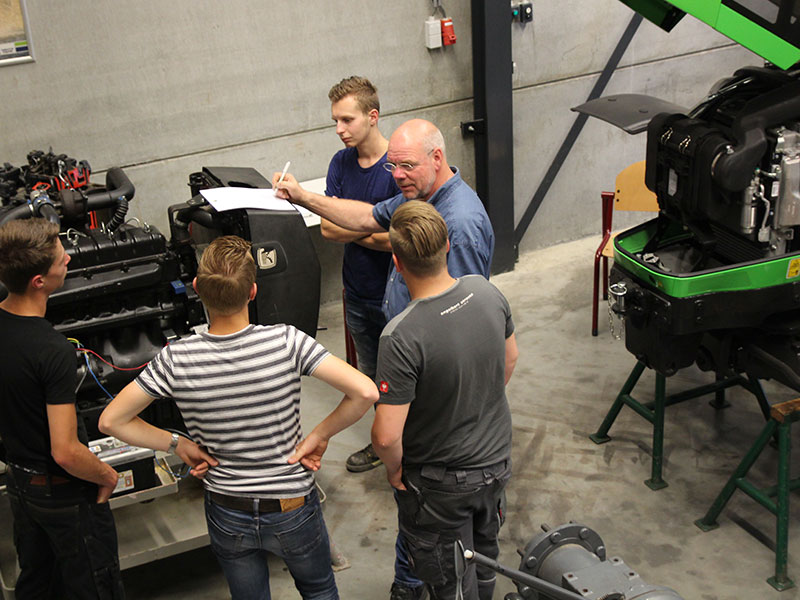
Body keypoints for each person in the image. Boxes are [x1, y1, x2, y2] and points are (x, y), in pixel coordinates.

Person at [274, 118, 495, 600]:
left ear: (437, 158)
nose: (396, 174)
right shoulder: (419, 200)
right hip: (444, 412)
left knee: (422, 505)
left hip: (436, 415)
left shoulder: (457, 222)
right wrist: (304, 198)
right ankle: (416, 582)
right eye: (392, 165)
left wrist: (449, 414)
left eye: (406, 165)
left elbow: (470, 333)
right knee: (439, 522)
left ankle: (414, 586)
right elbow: (367, 217)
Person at [99, 235, 378, 600]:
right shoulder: (286, 342)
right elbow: (366, 392)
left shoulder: (176, 358)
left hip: (228, 509)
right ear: (253, 292)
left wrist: (177, 443)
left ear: (197, 289)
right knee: (320, 589)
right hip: (291, 505)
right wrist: (319, 436)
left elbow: (111, 421)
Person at [371, 202, 518, 600]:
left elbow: (386, 437)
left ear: (397, 263)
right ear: (448, 245)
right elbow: (510, 359)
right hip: (496, 463)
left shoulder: (401, 336)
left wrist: (395, 471)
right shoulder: (486, 291)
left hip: (441, 486)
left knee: (450, 581)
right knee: (485, 557)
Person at [0, 218, 126, 599]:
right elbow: (66, 451)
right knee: (95, 585)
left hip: (21, 487)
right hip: (66, 496)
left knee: (39, 584)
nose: (68, 258)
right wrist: (106, 475)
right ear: (39, 281)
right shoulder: (51, 350)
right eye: (60, 258)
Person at [322, 76, 399, 474]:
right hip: (357, 292)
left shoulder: (396, 168)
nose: (340, 130)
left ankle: (413, 448)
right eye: (335, 121)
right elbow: (327, 230)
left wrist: (355, 227)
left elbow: (401, 239)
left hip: (398, 295)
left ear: (372, 116)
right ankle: (381, 442)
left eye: (347, 120)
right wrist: (373, 229)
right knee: (372, 377)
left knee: (406, 375)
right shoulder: (340, 163)